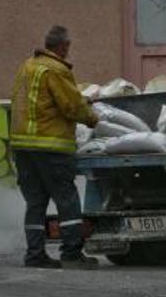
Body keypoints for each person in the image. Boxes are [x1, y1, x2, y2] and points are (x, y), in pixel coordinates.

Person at [10, 26, 100, 269]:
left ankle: (35, 254)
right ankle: (71, 253)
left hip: (22, 147)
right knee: (66, 198)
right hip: (50, 146)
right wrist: (94, 119)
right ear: (63, 47)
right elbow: (72, 106)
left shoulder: (26, 67)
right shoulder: (56, 70)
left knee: (35, 202)